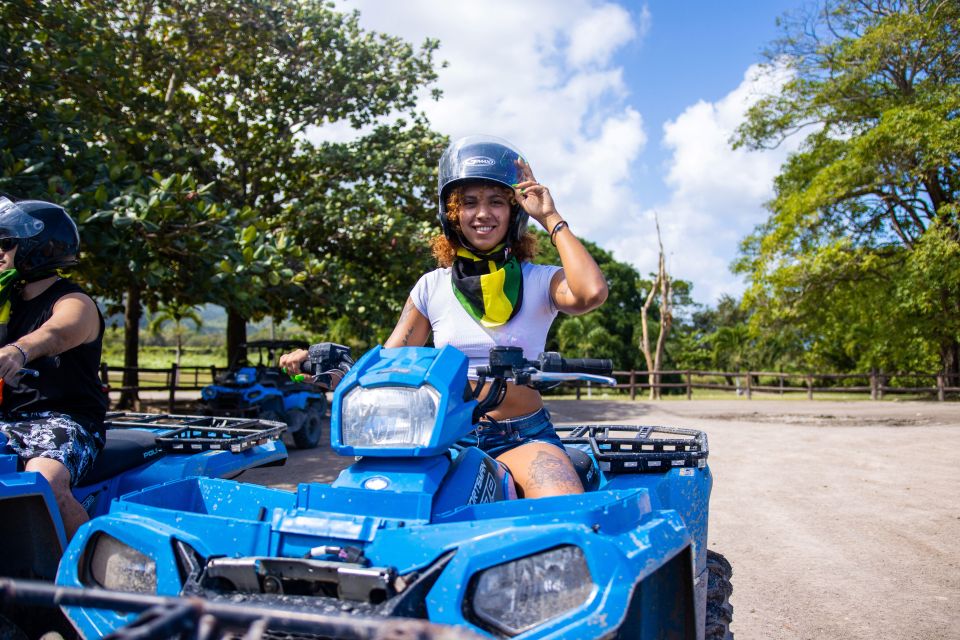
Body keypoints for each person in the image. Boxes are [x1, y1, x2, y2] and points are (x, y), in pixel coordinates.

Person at [282, 135, 607, 497]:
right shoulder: (430, 287)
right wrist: (327, 365)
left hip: (522, 437)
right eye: (469, 203)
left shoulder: (539, 280)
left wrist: (550, 217)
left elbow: (590, 292)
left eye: (497, 202)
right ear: (452, 214)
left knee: (561, 505)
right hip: (442, 436)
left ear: (514, 213)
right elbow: (391, 365)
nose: (483, 213)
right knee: (373, 500)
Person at [0, 196, 107, 540]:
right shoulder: (6, 306)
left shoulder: (74, 302)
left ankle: (90, 575)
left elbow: (57, 332)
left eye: (6, 243)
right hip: (9, 422)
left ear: (36, 247)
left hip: (65, 421)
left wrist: (18, 350)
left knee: (44, 480)